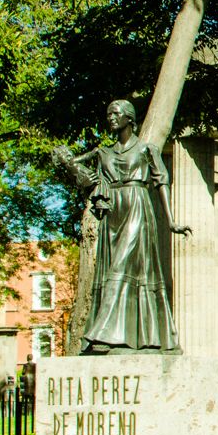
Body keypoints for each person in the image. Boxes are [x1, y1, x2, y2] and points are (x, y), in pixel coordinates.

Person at [56, 100, 179, 353]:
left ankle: (103, 335)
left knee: (121, 267)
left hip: (137, 206)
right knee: (111, 267)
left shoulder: (147, 149)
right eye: (109, 114)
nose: (111, 118)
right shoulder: (103, 153)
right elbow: (69, 162)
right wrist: (68, 163)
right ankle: (126, 337)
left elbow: (161, 182)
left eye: (116, 114)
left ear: (130, 119)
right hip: (113, 212)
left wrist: (170, 220)